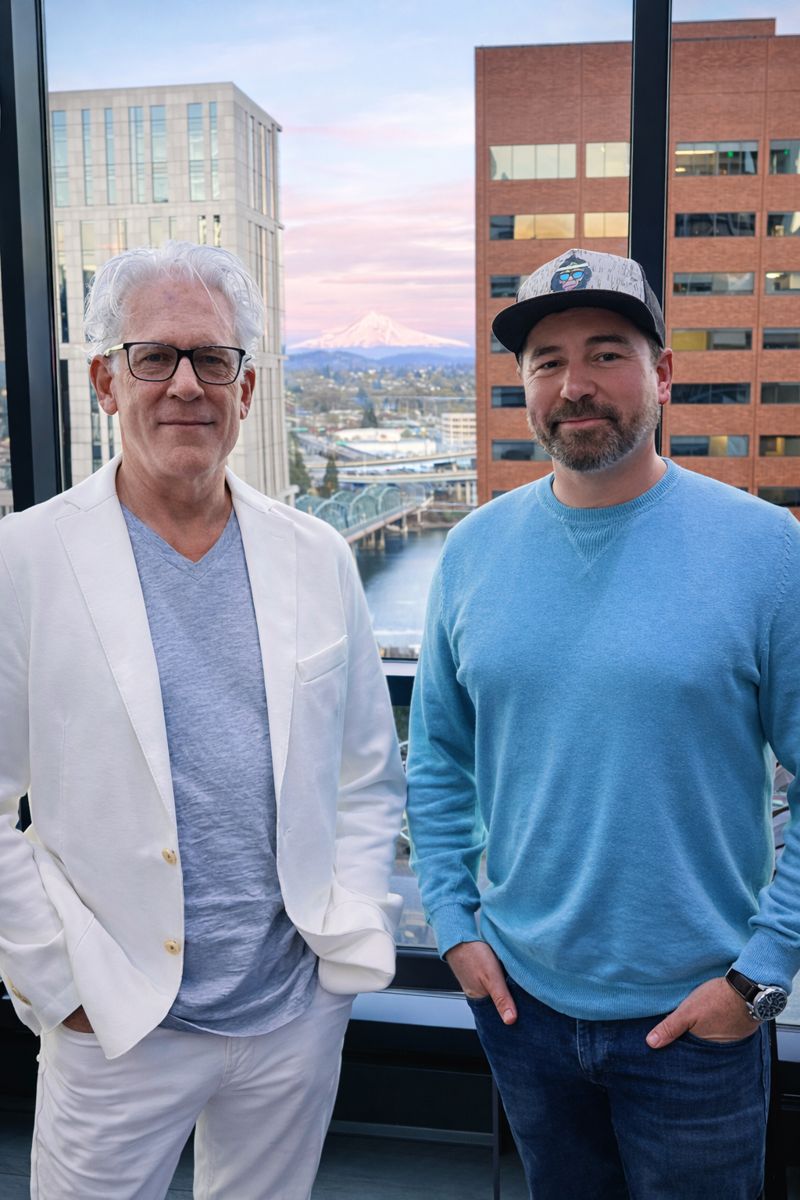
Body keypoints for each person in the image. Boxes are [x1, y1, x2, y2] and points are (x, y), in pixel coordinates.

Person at [0, 241, 405, 1200]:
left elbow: (365, 774)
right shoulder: (24, 562)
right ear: (106, 380)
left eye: (212, 359)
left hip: (291, 1013)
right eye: (155, 357)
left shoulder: (315, 555)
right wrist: (60, 986)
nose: (186, 384)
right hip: (117, 1024)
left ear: (246, 387)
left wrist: (347, 934)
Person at [406, 247, 800, 1198]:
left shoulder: (765, 550)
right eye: (547, 362)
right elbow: (437, 760)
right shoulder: (471, 551)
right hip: (521, 1007)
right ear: (525, 389)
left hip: (697, 1021)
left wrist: (758, 980)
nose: (575, 385)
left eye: (607, 353)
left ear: (663, 373)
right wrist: (454, 923)